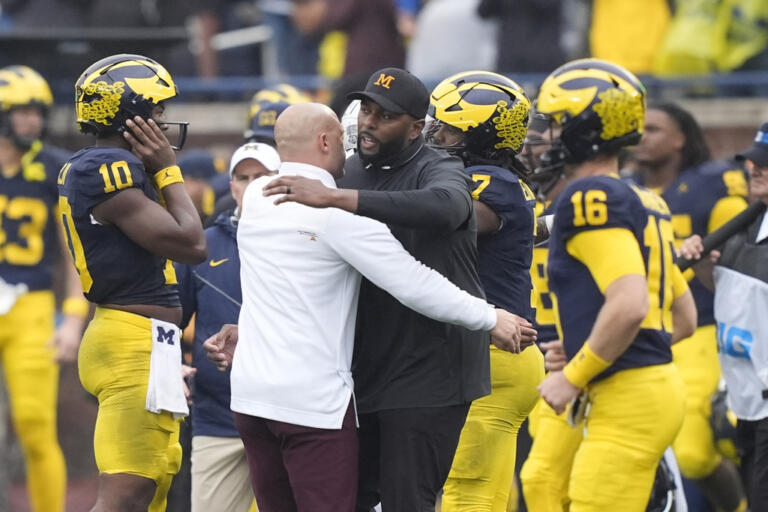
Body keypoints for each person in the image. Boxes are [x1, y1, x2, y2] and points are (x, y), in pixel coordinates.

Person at [204, 102, 533, 512]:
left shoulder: (253, 196)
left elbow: (285, 283)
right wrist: (489, 317)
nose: (352, 151)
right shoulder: (337, 218)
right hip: (312, 403)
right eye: (344, 141)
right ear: (325, 142)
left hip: (250, 399)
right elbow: (414, 283)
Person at [261, 67, 504, 510]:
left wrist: (337, 198)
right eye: (367, 110)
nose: (369, 122)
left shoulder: (439, 167)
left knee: (406, 502)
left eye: (386, 116)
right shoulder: (347, 171)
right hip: (359, 370)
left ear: (417, 128)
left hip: (430, 369)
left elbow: (449, 208)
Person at [535, 58, 697, 511]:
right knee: (548, 481)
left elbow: (629, 305)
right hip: (644, 387)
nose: (545, 135)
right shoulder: (641, 197)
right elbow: (682, 317)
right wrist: (594, 345)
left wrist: (575, 373)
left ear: (584, 128)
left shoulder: (591, 195)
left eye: (555, 122)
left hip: (628, 395)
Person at [57, 53, 206, 512]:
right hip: (129, 339)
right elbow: (191, 242)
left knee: (155, 481)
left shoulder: (109, 166)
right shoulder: (104, 169)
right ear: (130, 114)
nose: (164, 123)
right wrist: (167, 168)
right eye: (157, 111)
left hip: (150, 340)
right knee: (126, 492)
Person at [423, 70, 545, 511]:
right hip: (488, 350)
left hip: (495, 351)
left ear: (482, 136)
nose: (434, 134)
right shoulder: (499, 180)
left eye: (449, 128)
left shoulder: (490, 184)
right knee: (480, 489)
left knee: (468, 492)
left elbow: (443, 221)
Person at [630, 102, 748, 512]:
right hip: (639, 329)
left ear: (682, 137)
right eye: (639, 128)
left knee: (696, 452)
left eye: (655, 129)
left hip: (702, 325)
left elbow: (745, 256)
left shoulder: (712, 184)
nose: (642, 136)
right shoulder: (622, 190)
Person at [175, 142, 279, 512]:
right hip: (218, 415)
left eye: (262, 177)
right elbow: (172, 318)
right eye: (243, 177)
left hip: (288, 416)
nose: (251, 185)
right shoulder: (204, 245)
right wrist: (171, 363)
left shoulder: (306, 237)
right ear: (231, 185)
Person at [0, 64, 86, 512]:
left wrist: (72, 318)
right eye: (22, 111)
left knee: (35, 424)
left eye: (38, 111)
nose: (33, 120)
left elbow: (74, 251)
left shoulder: (53, 167)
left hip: (30, 305)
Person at [678, 122, 768, 511]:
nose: (756, 170)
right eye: (754, 163)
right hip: (746, 402)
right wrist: (702, 268)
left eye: (766, 164)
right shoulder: (747, 228)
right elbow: (740, 298)